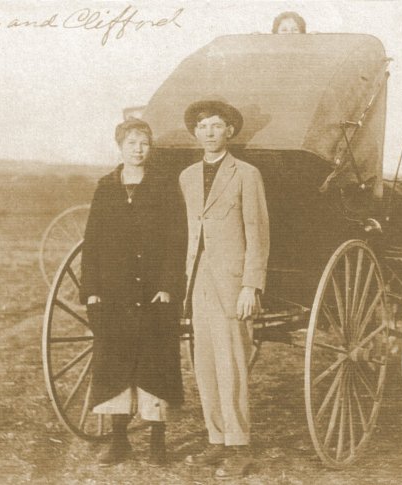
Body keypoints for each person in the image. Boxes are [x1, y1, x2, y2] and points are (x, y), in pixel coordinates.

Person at [80, 118, 185, 467]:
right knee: (114, 364)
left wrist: (169, 286)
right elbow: (92, 242)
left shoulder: (165, 186)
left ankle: (158, 443)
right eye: (132, 144)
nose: (138, 150)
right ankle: (120, 440)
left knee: (155, 364)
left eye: (143, 144)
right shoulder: (106, 187)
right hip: (114, 294)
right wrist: (92, 290)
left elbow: (176, 241)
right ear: (120, 147)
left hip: (155, 294)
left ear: (149, 148)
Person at [179, 100, 270, 479]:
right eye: (204, 127)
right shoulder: (185, 177)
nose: (211, 132)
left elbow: (257, 232)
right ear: (196, 133)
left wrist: (251, 285)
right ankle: (216, 438)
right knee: (205, 362)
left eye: (217, 126)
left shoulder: (246, 174)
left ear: (229, 132)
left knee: (232, 361)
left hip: (233, 282)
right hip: (197, 280)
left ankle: (239, 445)